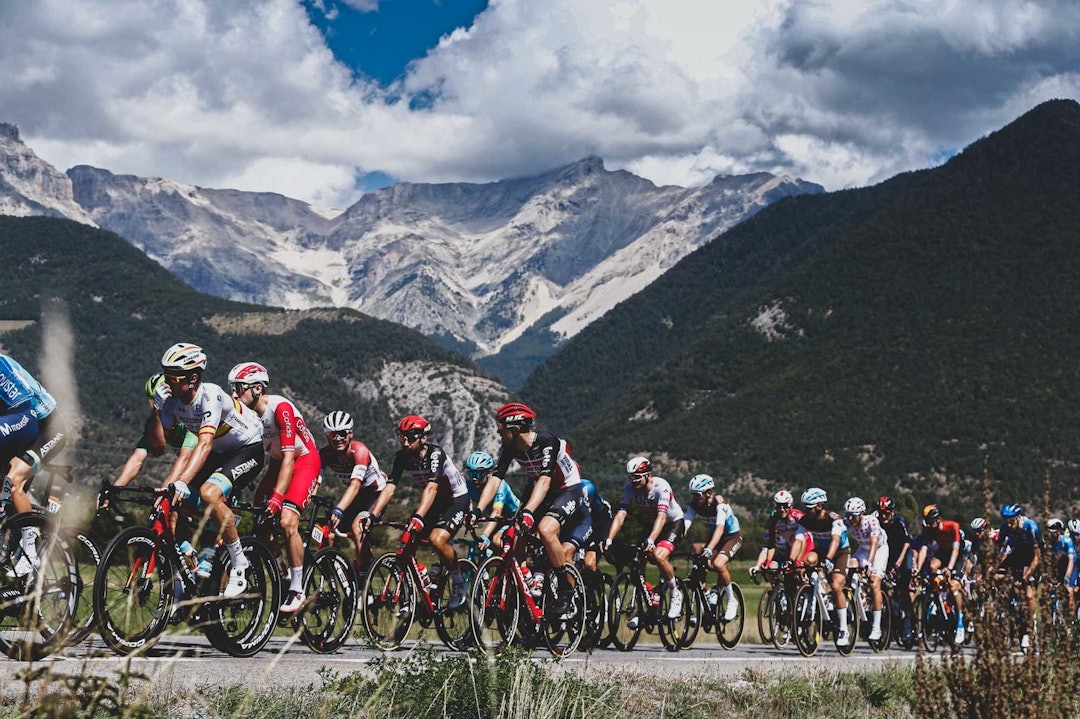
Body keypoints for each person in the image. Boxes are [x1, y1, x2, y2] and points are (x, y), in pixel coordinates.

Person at [155, 343, 264, 598]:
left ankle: (239, 563)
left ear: (193, 378)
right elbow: (164, 443)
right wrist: (159, 410)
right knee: (172, 503)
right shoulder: (171, 402)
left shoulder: (210, 395)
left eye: (173, 377)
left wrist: (183, 481)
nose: (167, 382)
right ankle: (189, 560)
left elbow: (203, 444)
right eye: (164, 376)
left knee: (208, 492)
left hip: (247, 449)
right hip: (220, 453)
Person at [471, 402, 589, 618]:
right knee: (515, 535)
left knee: (545, 530)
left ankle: (566, 587)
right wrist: (477, 510)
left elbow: (544, 481)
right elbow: (496, 479)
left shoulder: (547, 442)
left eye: (501, 428)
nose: (498, 432)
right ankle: (526, 584)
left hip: (567, 489)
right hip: (540, 491)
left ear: (515, 429)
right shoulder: (509, 448)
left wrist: (528, 511)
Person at [230, 362, 322, 613]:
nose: (234, 395)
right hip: (277, 463)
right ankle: (280, 569)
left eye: (239, 388)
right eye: (233, 389)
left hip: (303, 461)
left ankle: (297, 588)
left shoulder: (279, 408)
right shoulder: (246, 414)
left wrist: (278, 497)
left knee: (287, 520)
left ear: (258, 388)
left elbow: (290, 458)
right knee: (259, 520)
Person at [387, 415, 471, 609]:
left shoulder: (435, 454)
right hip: (436, 501)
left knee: (437, 539)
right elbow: (389, 488)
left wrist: (418, 516)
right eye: (402, 437)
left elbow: (431, 488)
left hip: (456, 499)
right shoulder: (401, 458)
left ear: (423, 438)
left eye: (410, 437)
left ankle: (459, 581)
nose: (405, 441)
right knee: (409, 538)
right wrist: (373, 514)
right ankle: (417, 584)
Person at [0, 351, 65, 573]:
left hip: (46, 428)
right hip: (19, 427)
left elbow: (25, 415)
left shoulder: (1, 366)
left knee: (13, 481)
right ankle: (12, 544)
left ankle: (30, 553)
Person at [604, 456, 686, 622]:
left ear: (648, 475)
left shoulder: (661, 487)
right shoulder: (629, 490)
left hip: (672, 524)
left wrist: (651, 540)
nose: (633, 481)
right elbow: (620, 516)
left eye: (636, 477)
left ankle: (675, 593)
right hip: (652, 525)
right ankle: (647, 597)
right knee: (637, 559)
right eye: (630, 477)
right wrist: (609, 539)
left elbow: (662, 517)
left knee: (659, 556)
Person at [321, 410, 393, 583]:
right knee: (327, 530)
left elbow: (354, 486)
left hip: (376, 494)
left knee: (357, 527)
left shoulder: (359, 451)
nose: (337, 438)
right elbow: (315, 481)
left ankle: (363, 577)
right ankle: (327, 573)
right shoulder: (325, 454)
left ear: (350, 433)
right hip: (358, 495)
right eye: (332, 434)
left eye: (342, 433)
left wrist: (339, 509)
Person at [111, 373, 197, 494]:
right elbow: (137, 459)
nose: (160, 408)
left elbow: (185, 458)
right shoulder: (155, 421)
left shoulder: (190, 421)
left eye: (163, 403)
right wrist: (114, 489)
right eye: (154, 403)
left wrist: (165, 490)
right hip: (189, 471)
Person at [797, 487, 854, 646]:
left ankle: (843, 629)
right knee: (808, 560)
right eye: (803, 508)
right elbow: (799, 541)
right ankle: (817, 597)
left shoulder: (833, 519)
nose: (805, 511)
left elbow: (835, 540)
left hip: (840, 552)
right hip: (821, 550)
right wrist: (796, 561)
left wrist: (829, 559)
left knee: (836, 585)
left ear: (820, 506)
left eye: (808, 508)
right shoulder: (805, 520)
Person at [683, 474, 742, 621]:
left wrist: (709, 548)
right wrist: (677, 538)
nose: (695, 498)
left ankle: (731, 601)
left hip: (731, 537)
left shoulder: (719, 503)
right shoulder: (695, 504)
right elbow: (686, 523)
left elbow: (720, 528)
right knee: (702, 562)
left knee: (718, 563)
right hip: (716, 538)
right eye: (693, 495)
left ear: (709, 492)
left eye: (698, 495)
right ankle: (705, 604)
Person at [915, 504, 968, 645]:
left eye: (931, 522)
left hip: (957, 556)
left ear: (938, 520)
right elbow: (924, 550)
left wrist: (950, 568)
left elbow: (956, 550)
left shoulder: (952, 526)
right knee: (933, 566)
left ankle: (960, 623)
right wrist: (917, 569)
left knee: (953, 586)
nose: (929, 526)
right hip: (942, 554)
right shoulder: (928, 530)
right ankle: (936, 599)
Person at [995, 502, 1042, 649]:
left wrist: (1025, 577)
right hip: (1017, 555)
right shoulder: (1004, 528)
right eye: (1005, 521)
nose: (1008, 524)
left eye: (1011, 521)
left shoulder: (1030, 527)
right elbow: (998, 552)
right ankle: (1008, 607)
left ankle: (1028, 631)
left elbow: (1036, 558)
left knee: (1028, 595)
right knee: (997, 576)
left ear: (1018, 517)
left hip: (1033, 558)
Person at [842, 497, 888, 641]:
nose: (850, 519)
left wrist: (869, 563)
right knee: (849, 568)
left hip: (879, 549)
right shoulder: (847, 522)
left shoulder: (871, 521)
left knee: (875, 584)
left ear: (861, 514)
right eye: (848, 515)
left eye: (853, 516)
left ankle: (876, 627)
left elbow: (874, 543)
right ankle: (858, 598)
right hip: (863, 548)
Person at [876, 496, 915, 644]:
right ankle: (888, 623)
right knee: (881, 588)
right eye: (881, 513)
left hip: (903, 554)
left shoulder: (899, 521)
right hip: (887, 555)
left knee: (903, 589)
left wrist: (898, 564)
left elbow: (906, 543)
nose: (883, 516)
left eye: (886, 513)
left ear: (892, 512)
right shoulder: (877, 522)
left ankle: (908, 625)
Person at [580, 478, 613, 573]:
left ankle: (595, 584)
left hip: (600, 520)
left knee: (589, 563)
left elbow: (586, 514)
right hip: (582, 520)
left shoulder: (586, 487)